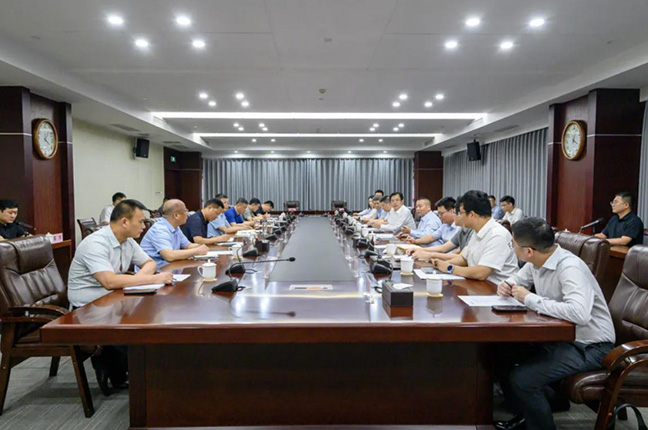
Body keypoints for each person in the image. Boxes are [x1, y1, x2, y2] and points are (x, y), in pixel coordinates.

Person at [494, 217, 615, 430]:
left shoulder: (570, 268)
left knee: (523, 379)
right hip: (561, 337)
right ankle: (537, 408)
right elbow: (518, 280)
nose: (512, 248)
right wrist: (506, 285)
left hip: (590, 345)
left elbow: (579, 313)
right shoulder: (538, 260)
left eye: (513, 244)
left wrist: (529, 298)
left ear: (528, 251)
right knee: (499, 354)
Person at [67, 199, 174, 394]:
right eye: (140, 221)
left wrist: (139, 280)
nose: (144, 226)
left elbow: (149, 263)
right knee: (139, 328)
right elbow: (109, 281)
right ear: (125, 222)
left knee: (153, 316)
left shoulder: (127, 241)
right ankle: (135, 376)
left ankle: (147, 372)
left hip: (114, 298)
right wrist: (150, 279)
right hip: (88, 307)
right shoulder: (96, 243)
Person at [431, 190, 518, 284]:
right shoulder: (477, 231)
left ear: (472, 214)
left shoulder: (497, 235)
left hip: (497, 288)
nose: (459, 217)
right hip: (480, 285)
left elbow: (481, 272)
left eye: (461, 213)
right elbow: (464, 259)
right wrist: (443, 264)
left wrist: (449, 268)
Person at [140, 199, 209, 268]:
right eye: (185, 211)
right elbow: (169, 256)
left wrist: (201, 246)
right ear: (176, 215)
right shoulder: (160, 229)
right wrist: (196, 251)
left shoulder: (175, 227)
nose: (187, 214)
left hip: (169, 266)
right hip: (154, 270)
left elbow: (188, 245)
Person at [408, 202, 473, 262]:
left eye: (457, 213)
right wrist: (420, 249)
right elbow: (443, 248)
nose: (454, 215)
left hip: (449, 260)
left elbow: (461, 258)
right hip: (445, 258)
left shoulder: (469, 231)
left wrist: (432, 257)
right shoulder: (457, 229)